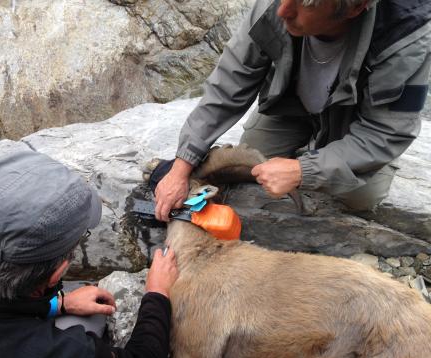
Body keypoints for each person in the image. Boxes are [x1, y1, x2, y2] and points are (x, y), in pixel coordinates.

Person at [154, 0, 431, 220]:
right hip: (291, 104)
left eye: (305, 4)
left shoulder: (404, 37)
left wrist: (302, 170)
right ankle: (312, 144)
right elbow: (229, 84)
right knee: (252, 163)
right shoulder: (277, 5)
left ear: (356, 7)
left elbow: (385, 131)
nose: (283, 9)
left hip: (352, 121)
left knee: (361, 197)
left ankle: (340, 155)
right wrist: (182, 166)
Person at [0, 150, 178, 358]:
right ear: (57, 272)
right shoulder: (59, 352)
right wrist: (157, 293)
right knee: (92, 325)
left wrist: (57, 305)